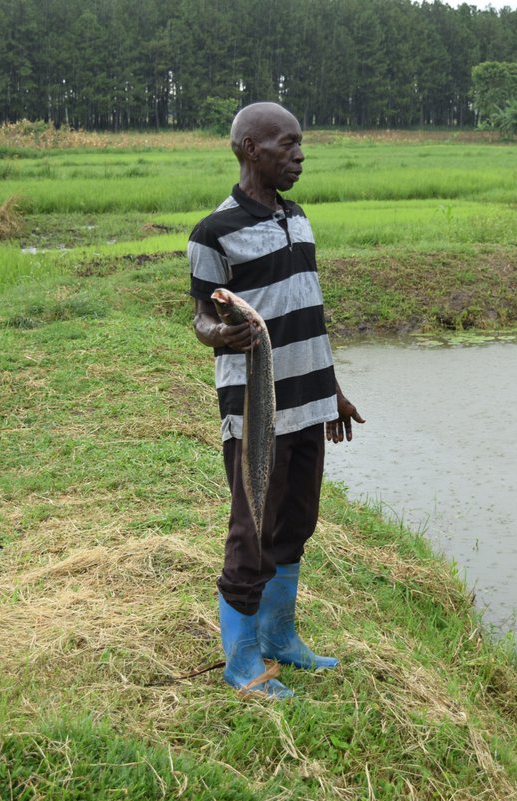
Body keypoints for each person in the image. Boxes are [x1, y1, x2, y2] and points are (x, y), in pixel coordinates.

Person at [188, 102, 364, 698]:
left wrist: (332, 391)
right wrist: (220, 333)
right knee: (254, 530)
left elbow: (307, 312)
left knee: (296, 522)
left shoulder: (298, 217)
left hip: (309, 403)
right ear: (250, 149)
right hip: (257, 411)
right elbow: (201, 317)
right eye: (287, 144)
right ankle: (241, 663)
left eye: (300, 144)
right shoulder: (213, 232)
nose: (299, 155)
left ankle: (279, 637)